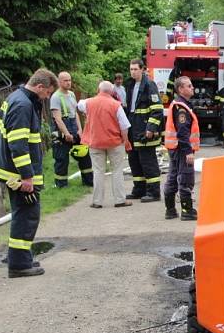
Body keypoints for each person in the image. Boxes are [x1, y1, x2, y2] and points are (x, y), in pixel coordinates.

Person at [0, 69, 58, 278]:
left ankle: (23, 258)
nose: (47, 97)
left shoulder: (18, 98)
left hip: (15, 172)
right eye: (47, 92)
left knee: (25, 214)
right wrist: (27, 177)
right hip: (19, 175)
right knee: (26, 215)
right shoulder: (23, 105)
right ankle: (20, 264)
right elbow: (18, 146)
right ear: (40, 87)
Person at [76, 81, 132, 209]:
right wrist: (125, 141)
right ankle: (119, 200)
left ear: (98, 90)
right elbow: (124, 126)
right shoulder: (116, 105)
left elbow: (79, 104)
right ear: (112, 92)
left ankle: (97, 201)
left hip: (95, 142)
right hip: (114, 142)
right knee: (117, 170)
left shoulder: (88, 103)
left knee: (98, 171)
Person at [124, 58, 164, 201]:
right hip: (133, 127)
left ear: (142, 69)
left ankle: (154, 192)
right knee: (134, 160)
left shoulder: (149, 85)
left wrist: (151, 128)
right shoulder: (130, 85)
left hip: (145, 128)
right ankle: (139, 189)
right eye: (131, 69)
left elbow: (157, 109)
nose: (133, 72)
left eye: (135, 69)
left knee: (148, 161)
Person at [164, 76, 200, 221]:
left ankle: (170, 210)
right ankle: (187, 211)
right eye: (189, 86)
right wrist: (188, 152)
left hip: (174, 148)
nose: (192, 88)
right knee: (185, 178)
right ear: (180, 89)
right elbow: (183, 132)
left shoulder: (178, 104)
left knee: (172, 178)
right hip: (181, 149)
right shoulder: (182, 108)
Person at [50, 71, 93, 187]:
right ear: (59, 82)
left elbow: (75, 114)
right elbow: (58, 119)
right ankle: (61, 185)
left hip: (74, 129)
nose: (68, 82)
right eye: (65, 80)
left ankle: (89, 181)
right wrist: (66, 133)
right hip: (61, 132)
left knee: (84, 155)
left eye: (69, 80)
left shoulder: (72, 94)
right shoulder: (55, 97)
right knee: (62, 159)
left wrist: (80, 129)